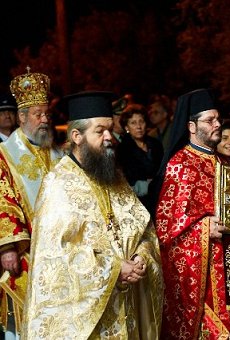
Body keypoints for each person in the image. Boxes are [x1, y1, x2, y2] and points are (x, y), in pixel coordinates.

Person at [22, 91, 163, 339]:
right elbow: (55, 256)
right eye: (100, 131)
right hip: (89, 320)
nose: (110, 137)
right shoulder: (59, 183)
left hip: (126, 307)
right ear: (77, 136)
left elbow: (144, 229)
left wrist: (142, 256)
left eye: (110, 129)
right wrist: (114, 269)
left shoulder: (115, 176)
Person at [155, 89, 230, 339]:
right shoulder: (180, 165)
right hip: (203, 284)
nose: (217, 124)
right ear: (191, 126)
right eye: (210, 120)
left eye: (217, 119)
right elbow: (166, 231)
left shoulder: (223, 163)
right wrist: (202, 229)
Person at [0, 68, 64, 338]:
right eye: (38, 115)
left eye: (47, 114)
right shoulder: (6, 154)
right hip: (28, 251)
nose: (45, 120)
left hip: (62, 250)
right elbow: (4, 201)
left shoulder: (57, 151)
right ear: (22, 117)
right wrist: (8, 247)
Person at [116, 106, 163, 213]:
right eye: (133, 123)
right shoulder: (122, 149)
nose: (138, 126)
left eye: (141, 121)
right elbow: (127, 179)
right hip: (138, 202)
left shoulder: (155, 144)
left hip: (159, 196)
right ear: (126, 127)